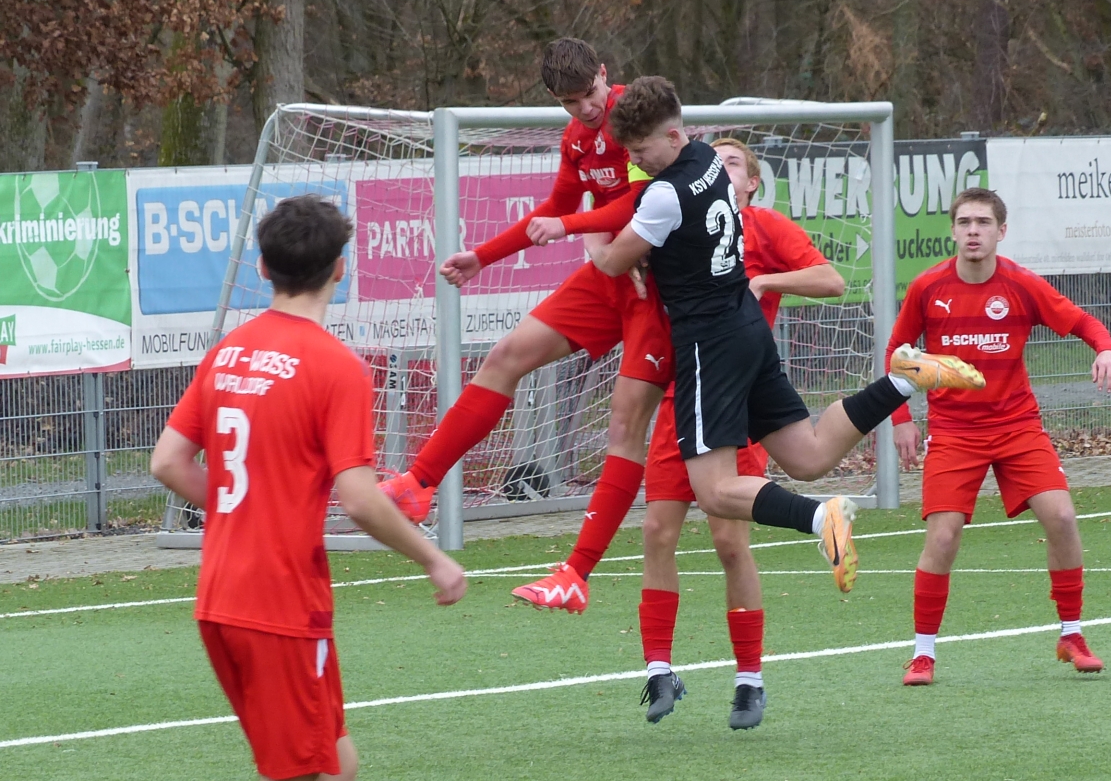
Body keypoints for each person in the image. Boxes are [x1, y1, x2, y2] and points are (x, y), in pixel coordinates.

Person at [145, 195, 466, 781]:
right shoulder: (335, 366)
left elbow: (167, 461)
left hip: (221, 594)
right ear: (340, 270)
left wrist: (241, 512)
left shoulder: (229, 352)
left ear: (262, 267)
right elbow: (359, 497)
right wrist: (433, 558)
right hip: (280, 603)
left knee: (334, 767)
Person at [595, 78, 984, 728]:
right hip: (748, 327)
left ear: (672, 135)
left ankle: (819, 518)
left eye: (641, 151)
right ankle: (903, 380)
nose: (637, 162)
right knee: (807, 454)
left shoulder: (664, 194)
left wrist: (598, 238)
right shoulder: (707, 164)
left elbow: (612, 261)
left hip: (707, 347)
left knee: (716, 492)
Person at [377, 39, 671, 617]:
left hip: (657, 288)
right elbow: (555, 208)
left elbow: (640, 206)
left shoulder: (636, 119)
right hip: (611, 275)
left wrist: (571, 227)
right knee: (505, 355)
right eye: (570, 102)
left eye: (589, 93)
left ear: (604, 74)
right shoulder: (576, 138)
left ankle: (576, 573)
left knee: (625, 426)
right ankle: (419, 484)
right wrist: (482, 257)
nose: (585, 108)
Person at [633, 137, 845, 729]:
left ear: (751, 183)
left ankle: (749, 678)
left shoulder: (763, 227)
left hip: (737, 395)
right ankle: (659, 669)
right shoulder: (675, 208)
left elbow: (831, 280)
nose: (718, 169)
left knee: (729, 540)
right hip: (682, 392)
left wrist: (767, 282)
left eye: (733, 164)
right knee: (657, 530)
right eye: (715, 160)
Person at [886, 189, 1111, 685]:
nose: (973, 231)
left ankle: (1072, 634)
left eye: (983, 222)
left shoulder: (1021, 284)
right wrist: (901, 419)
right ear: (953, 231)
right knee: (944, 535)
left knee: (1062, 516)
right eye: (964, 222)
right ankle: (923, 654)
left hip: (1017, 426)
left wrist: (1105, 348)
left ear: (1001, 231)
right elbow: (898, 351)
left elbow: (1081, 321)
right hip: (954, 431)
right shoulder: (928, 287)